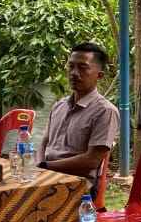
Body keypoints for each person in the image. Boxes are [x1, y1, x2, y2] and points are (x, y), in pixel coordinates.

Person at [38, 42, 118, 197]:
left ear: (99, 75)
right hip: (47, 177)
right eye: (71, 66)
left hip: (79, 185)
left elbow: (91, 161)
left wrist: (44, 167)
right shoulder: (59, 106)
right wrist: (38, 167)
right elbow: (44, 142)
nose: (74, 73)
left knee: (21, 202)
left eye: (83, 68)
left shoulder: (105, 111)